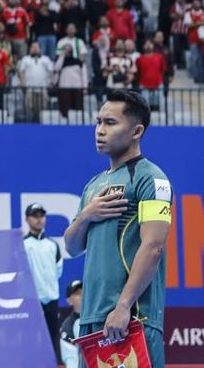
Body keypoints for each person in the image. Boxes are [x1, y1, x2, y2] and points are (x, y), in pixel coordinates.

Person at [63, 90, 171, 367]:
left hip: (131, 318)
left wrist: (123, 307)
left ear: (136, 130)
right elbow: (72, 246)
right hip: (91, 321)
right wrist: (86, 216)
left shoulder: (151, 178)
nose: (99, 130)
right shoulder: (93, 185)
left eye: (110, 123)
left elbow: (154, 247)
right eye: (98, 122)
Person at [22, 203, 63, 365]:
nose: (39, 220)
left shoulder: (53, 245)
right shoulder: (22, 244)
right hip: (32, 300)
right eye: (35, 216)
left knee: (54, 337)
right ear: (27, 219)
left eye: (42, 216)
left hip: (52, 298)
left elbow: (57, 271)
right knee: (31, 338)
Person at [59, 280, 83, 368]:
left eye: (85, 291)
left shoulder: (103, 316)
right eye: (78, 293)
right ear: (69, 300)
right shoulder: (67, 327)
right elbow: (72, 362)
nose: (83, 295)